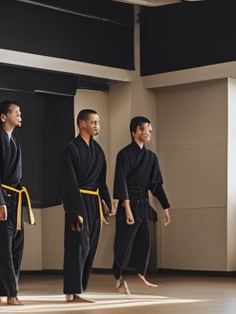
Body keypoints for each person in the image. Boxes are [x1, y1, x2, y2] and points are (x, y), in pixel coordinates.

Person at [58, 108, 114, 303]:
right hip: (77, 205)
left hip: (94, 203)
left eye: (98, 122)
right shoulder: (71, 149)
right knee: (77, 245)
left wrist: (106, 202)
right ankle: (70, 291)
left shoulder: (98, 151)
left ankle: (79, 289)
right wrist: (75, 209)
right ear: (82, 124)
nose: (97, 126)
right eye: (93, 122)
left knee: (90, 246)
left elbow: (101, 181)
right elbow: (68, 182)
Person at [112, 116, 172, 294]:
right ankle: (118, 278)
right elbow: (120, 182)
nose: (149, 133)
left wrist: (165, 207)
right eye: (146, 129)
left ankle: (140, 274)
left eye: (150, 130)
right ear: (135, 132)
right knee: (124, 243)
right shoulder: (124, 154)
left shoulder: (151, 157)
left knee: (145, 241)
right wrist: (127, 209)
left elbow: (156, 185)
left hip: (143, 204)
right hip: (127, 204)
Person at [0, 100, 32, 306]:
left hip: (16, 201)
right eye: (16, 112)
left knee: (16, 248)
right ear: (4, 117)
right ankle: (12, 293)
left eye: (20, 112)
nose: (20, 115)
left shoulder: (15, 142)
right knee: (3, 249)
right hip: (2, 201)